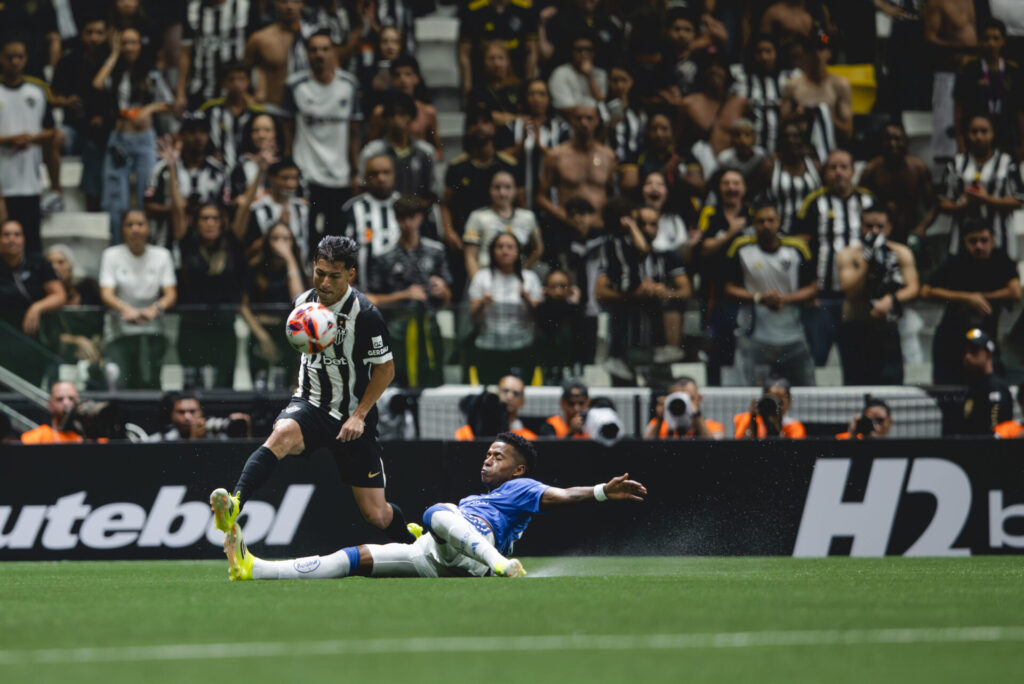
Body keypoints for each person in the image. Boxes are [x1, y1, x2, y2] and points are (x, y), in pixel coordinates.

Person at [209, 234, 418, 547]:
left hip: (352, 416)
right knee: (281, 434)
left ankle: (416, 545)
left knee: (377, 514)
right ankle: (234, 504)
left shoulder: (366, 315)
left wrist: (359, 415)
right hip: (311, 403)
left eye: (334, 276)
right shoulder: (301, 304)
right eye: (319, 273)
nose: (324, 282)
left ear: (350, 274)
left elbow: (385, 370)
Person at [220, 433, 647, 581]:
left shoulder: (522, 487)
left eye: (498, 456)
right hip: (435, 555)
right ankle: (254, 568)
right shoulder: (481, 496)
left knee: (436, 510)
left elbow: (561, 496)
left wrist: (600, 491)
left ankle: (500, 565)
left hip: (475, 555)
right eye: (487, 454)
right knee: (354, 557)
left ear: (518, 470)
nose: (488, 459)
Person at [794, 149, 876, 367]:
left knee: (857, 358)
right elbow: (800, 248)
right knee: (817, 355)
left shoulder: (867, 200)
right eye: (833, 168)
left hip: (857, 296)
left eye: (844, 167)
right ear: (824, 172)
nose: (838, 173)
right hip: (822, 295)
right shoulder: (814, 202)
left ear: (853, 171)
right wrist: (807, 286)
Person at [724, 202, 817, 387]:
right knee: (750, 389)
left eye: (770, 220)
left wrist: (784, 299)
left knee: (805, 388)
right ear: (753, 224)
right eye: (760, 221)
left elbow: (813, 287)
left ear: (779, 222)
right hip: (754, 335)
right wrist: (760, 299)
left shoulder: (797, 248)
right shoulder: (740, 248)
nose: (766, 225)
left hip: (794, 333)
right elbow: (729, 288)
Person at [94, 26, 173, 242]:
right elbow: (98, 84)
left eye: (133, 42)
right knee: (115, 199)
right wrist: (113, 55)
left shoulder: (151, 72)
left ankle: (146, 244)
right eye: (124, 43)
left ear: (140, 45)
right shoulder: (115, 72)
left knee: (145, 194)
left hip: (144, 139)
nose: (129, 47)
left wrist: (148, 109)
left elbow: (168, 102)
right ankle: (117, 244)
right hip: (119, 139)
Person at [921, 219, 1022, 385]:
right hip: (952, 337)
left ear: (992, 240)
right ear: (965, 242)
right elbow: (926, 291)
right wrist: (967, 298)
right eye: (973, 241)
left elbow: (1015, 291)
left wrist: (981, 298)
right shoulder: (956, 262)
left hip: (985, 335)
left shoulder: (1001, 260)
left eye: (984, 240)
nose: (979, 246)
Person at [365, 195, 452, 388]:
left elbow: (448, 297)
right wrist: (403, 295)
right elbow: (371, 299)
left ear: (420, 217)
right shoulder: (384, 256)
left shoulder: (436, 251)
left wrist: (442, 291)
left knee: (434, 385)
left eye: (411, 217)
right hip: (397, 331)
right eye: (402, 218)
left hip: (429, 328)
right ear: (396, 219)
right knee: (398, 386)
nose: (407, 223)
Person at [283, 30, 362, 236]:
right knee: (307, 234)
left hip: (340, 175)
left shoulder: (349, 85)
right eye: (314, 50)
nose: (319, 54)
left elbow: (354, 132)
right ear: (307, 54)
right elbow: (288, 129)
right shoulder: (295, 85)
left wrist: (355, 171)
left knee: (335, 237)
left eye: (325, 49)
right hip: (306, 173)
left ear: (333, 52)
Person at [835, 207, 919, 385]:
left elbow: (913, 288)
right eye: (869, 226)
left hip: (886, 328)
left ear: (888, 227)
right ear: (861, 227)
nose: (874, 231)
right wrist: (866, 262)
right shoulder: (848, 254)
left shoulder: (901, 252)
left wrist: (891, 299)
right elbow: (850, 291)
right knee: (856, 385)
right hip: (856, 327)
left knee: (891, 383)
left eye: (879, 226)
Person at [98, 210, 177, 390]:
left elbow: (171, 294)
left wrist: (155, 309)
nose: (135, 229)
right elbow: (107, 293)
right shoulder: (111, 255)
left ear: (148, 228)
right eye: (130, 224)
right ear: (122, 229)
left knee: (151, 382)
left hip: (153, 329)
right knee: (122, 381)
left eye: (140, 224)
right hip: (119, 329)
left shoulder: (162, 255)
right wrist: (125, 309)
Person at [175, 202, 246, 389]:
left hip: (223, 325)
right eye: (205, 218)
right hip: (192, 326)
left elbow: (244, 208)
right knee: (192, 386)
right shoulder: (187, 244)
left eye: (215, 218)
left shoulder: (232, 244)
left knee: (224, 386)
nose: (210, 223)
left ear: (222, 222)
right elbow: (177, 208)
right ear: (196, 222)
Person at [0, 36, 56, 255]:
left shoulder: (37, 91)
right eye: (10, 57)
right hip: (3, 183)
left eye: (19, 57)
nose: (15, 62)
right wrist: (9, 140)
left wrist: (31, 139)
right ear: (1, 58)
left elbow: (51, 129)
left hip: (29, 180)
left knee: (31, 242)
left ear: (26, 59)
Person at [939, 114, 1022, 260]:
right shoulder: (956, 164)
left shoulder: (1007, 163)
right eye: (974, 131)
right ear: (967, 134)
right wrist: (962, 206)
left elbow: (1019, 200)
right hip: (962, 241)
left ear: (993, 134)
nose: (979, 136)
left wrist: (986, 199)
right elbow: (942, 202)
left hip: (1000, 240)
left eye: (984, 131)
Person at [51, 15, 112, 212]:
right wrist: (65, 101)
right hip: (73, 127)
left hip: (100, 132)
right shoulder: (69, 61)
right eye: (89, 33)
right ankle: (56, 192)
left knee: (94, 146)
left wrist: (103, 117)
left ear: (107, 35)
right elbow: (52, 96)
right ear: (81, 35)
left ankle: (93, 201)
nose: (94, 38)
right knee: (57, 137)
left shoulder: (110, 62)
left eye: (99, 33)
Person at [240, 222, 308, 391]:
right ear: (267, 241)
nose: (281, 243)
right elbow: (243, 306)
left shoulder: (296, 268)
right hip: (260, 330)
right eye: (276, 238)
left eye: (286, 239)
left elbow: (299, 301)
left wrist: (289, 259)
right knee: (260, 385)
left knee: (286, 386)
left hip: (288, 333)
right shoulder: (255, 267)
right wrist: (262, 336)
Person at [467, 232, 542, 384]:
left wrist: (527, 300)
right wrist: (482, 303)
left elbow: (540, 317)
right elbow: (472, 317)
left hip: (521, 347)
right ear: (492, 251)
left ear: (518, 251)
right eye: (499, 247)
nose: (504, 251)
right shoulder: (481, 277)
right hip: (489, 347)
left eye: (510, 247)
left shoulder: (530, 278)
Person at [144, 113, 227, 248]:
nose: (198, 137)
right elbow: (148, 205)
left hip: (207, 242)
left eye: (203, 132)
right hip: (169, 238)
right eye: (192, 132)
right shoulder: (163, 168)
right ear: (181, 135)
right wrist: (176, 208)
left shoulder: (218, 170)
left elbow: (225, 207)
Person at [536, 105, 617, 238]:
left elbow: (612, 194)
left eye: (589, 118)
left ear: (597, 121)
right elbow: (540, 197)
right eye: (579, 118)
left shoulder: (608, 156)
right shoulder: (556, 155)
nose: (584, 123)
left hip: (598, 225)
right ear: (571, 121)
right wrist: (564, 216)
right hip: (566, 223)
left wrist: (597, 218)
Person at [953, 18, 1024, 163]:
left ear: (1003, 41)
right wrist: (960, 141)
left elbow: (1020, 111)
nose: (991, 43)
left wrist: (1023, 143)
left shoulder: (1013, 71)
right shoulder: (970, 69)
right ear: (980, 41)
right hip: (977, 135)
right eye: (986, 39)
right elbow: (959, 108)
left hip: (1006, 135)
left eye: (995, 38)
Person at [858, 123, 938, 250]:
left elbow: (933, 205)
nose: (893, 144)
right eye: (888, 139)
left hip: (911, 230)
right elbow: (860, 205)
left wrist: (922, 227)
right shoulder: (872, 170)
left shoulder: (918, 168)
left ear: (906, 141)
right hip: (879, 231)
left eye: (897, 139)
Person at [779, 32, 853, 162]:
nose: (817, 54)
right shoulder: (792, 85)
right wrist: (797, 115)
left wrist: (825, 115)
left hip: (830, 152)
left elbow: (848, 132)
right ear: (805, 53)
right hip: (799, 152)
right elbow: (780, 126)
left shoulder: (840, 85)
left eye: (822, 49)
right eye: (812, 49)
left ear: (829, 53)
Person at [923, 0, 977, 165]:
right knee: (946, 125)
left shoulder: (970, 1)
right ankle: (944, 166)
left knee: (971, 121)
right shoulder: (936, 3)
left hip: (971, 70)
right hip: (947, 71)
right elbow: (929, 37)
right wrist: (960, 46)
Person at [464, 170, 543, 279]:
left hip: (517, 277)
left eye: (508, 187)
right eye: (497, 187)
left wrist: (522, 272)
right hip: (486, 275)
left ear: (515, 190)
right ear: (490, 189)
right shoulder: (477, 217)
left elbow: (538, 248)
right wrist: (479, 283)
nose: (502, 193)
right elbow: (470, 256)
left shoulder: (528, 217)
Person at [357, 91, 435, 200]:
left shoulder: (426, 151)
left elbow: (433, 189)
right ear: (385, 119)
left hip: (417, 208)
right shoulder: (372, 152)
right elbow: (361, 186)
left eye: (402, 114)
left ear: (411, 117)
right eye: (391, 115)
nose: (396, 119)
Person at [176, 0, 250, 111]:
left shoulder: (244, 7)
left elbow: (256, 49)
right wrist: (180, 93)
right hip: (201, 87)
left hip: (237, 90)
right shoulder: (193, 9)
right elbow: (185, 53)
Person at [730, 33, 798, 153]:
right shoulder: (742, 78)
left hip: (783, 147)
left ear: (776, 53)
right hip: (749, 149)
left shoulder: (790, 78)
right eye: (759, 52)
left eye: (768, 51)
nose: (764, 57)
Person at [340, 154, 402, 281]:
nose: (381, 178)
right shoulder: (352, 209)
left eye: (386, 172)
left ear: (395, 175)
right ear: (365, 177)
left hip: (405, 286)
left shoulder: (407, 206)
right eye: (374, 174)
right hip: (365, 287)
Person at [0, 220, 65, 337]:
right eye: (6, 235)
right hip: (5, 330)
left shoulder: (38, 262)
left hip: (39, 329)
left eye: (17, 235)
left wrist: (37, 308)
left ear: (23, 239)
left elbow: (59, 295)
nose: (12, 239)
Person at [458, 0, 538, 93]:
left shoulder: (526, 10)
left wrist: (529, 86)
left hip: (517, 78)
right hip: (480, 79)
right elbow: (464, 53)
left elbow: (532, 52)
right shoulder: (472, 10)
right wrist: (467, 88)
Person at [199, 61, 266, 172]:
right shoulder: (210, 109)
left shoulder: (257, 113)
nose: (236, 84)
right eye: (231, 79)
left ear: (248, 82)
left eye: (241, 79)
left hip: (250, 168)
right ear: (223, 83)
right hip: (214, 167)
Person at [945, 328, 1013, 436]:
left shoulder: (996, 389)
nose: (967, 356)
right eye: (966, 351)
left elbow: (996, 431)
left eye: (974, 351)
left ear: (988, 354)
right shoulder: (972, 386)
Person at [762, 122, 821, 235]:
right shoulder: (770, 166)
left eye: (795, 136)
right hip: (779, 233)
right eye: (786, 136)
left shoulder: (815, 166)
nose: (791, 140)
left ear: (802, 140)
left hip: (812, 233)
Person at [455, 377, 538, 441]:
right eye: (505, 391)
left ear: (523, 402)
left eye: (515, 393)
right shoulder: (467, 434)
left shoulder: (528, 438)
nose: (509, 396)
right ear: (498, 394)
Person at [644, 376, 725, 439]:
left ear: (699, 399)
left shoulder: (713, 427)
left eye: (690, 399)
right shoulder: (658, 425)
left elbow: (714, 448)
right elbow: (646, 447)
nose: (684, 404)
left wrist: (697, 417)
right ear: (668, 399)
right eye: (678, 399)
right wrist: (659, 420)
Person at [148, 392, 252, 441]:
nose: (188, 417)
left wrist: (245, 431)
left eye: (192, 411)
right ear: (171, 415)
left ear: (201, 412)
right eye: (181, 412)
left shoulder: (217, 437)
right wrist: (194, 441)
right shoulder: (161, 440)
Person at [547, 31, 607, 114]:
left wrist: (589, 76)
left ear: (593, 53)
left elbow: (601, 101)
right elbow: (563, 105)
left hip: (594, 118)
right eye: (579, 50)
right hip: (567, 117)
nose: (584, 53)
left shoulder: (601, 74)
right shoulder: (560, 73)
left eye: (588, 49)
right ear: (572, 52)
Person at [466, 42, 522, 126]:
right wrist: (515, 118)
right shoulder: (477, 91)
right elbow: (484, 118)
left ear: (508, 61)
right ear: (484, 62)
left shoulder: (520, 87)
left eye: (501, 58)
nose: (496, 63)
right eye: (491, 58)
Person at [734, 377, 807, 439]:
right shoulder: (747, 419)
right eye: (772, 401)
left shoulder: (793, 427)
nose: (776, 406)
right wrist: (752, 421)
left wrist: (776, 427)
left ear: (789, 402)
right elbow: (740, 445)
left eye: (780, 401)